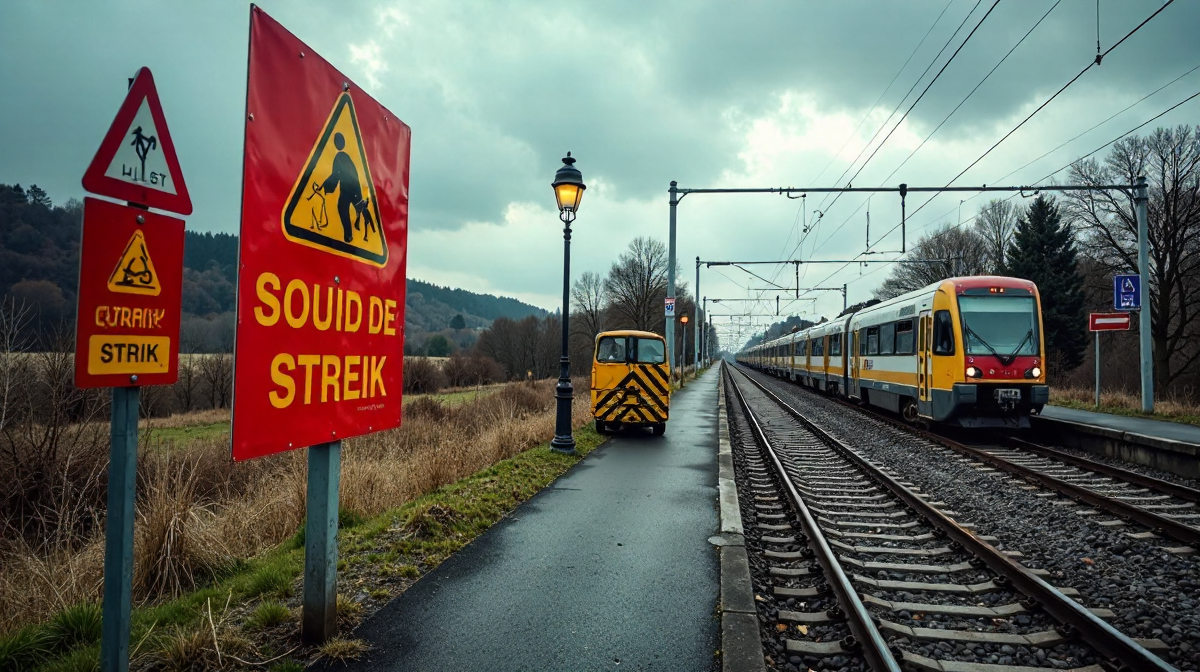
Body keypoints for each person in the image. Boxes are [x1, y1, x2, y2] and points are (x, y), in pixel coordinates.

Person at [320, 132, 364, 243]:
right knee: (344, 208)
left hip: (349, 189)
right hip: (351, 189)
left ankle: (350, 235)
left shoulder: (340, 157)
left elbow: (337, 174)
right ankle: (349, 235)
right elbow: (338, 174)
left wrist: (325, 186)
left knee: (344, 208)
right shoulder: (344, 157)